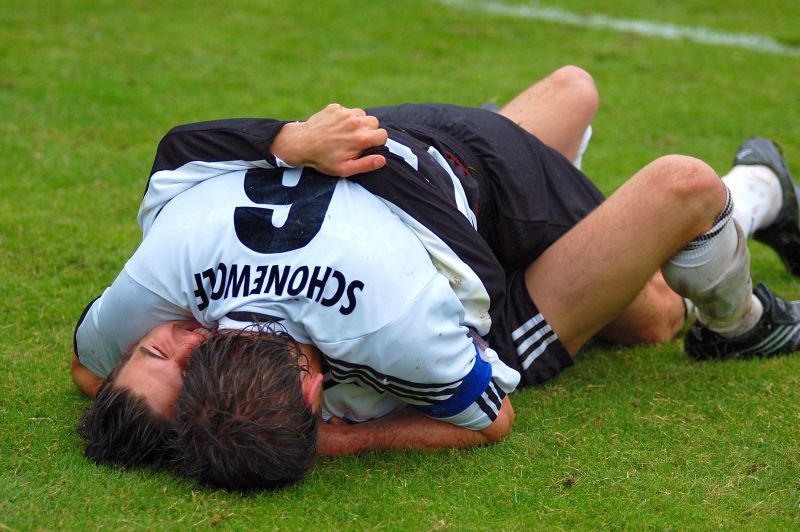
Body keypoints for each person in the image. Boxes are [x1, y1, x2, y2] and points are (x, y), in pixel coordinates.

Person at [73, 66, 800, 490]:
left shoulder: (389, 329)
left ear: (311, 393)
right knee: (573, 89)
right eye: (189, 378)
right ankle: (578, 160)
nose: (184, 343)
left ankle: (751, 246)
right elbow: (89, 364)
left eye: (164, 358)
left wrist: (334, 441)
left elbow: (491, 405)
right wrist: (290, 139)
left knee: (652, 311)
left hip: (487, 198)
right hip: (407, 140)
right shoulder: (157, 287)